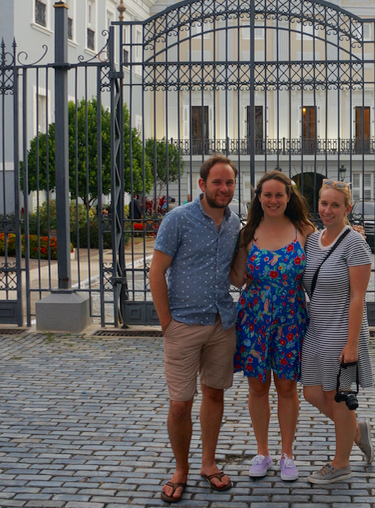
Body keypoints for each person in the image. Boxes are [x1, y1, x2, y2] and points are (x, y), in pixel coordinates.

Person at [149, 155, 240, 502]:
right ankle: (181, 469)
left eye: (229, 182)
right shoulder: (178, 219)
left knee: (214, 394)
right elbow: (156, 272)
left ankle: (208, 463)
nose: (223, 188)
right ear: (202, 185)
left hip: (221, 323)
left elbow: (235, 271)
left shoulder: (234, 223)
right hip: (183, 324)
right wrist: (166, 323)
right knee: (180, 404)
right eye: (217, 182)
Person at [231, 171, 315, 482]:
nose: (273, 200)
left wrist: (353, 234)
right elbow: (238, 278)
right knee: (257, 386)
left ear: (289, 197)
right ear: (259, 198)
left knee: (287, 386)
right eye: (267, 195)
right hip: (254, 319)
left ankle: (287, 454)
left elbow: (331, 255)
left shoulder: (304, 230)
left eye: (279, 194)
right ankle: (263, 451)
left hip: (291, 318)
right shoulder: (247, 234)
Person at [301, 179, 374, 484]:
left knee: (337, 397)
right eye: (323, 204)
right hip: (315, 329)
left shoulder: (355, 243)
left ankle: (341, 463)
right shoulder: (313, 240)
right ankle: (355, 431)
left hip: (342, 331)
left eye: (335, 205)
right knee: (312, 393)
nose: (328, 210)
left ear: (348, 209)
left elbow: (358, 295)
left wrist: (352, 345)